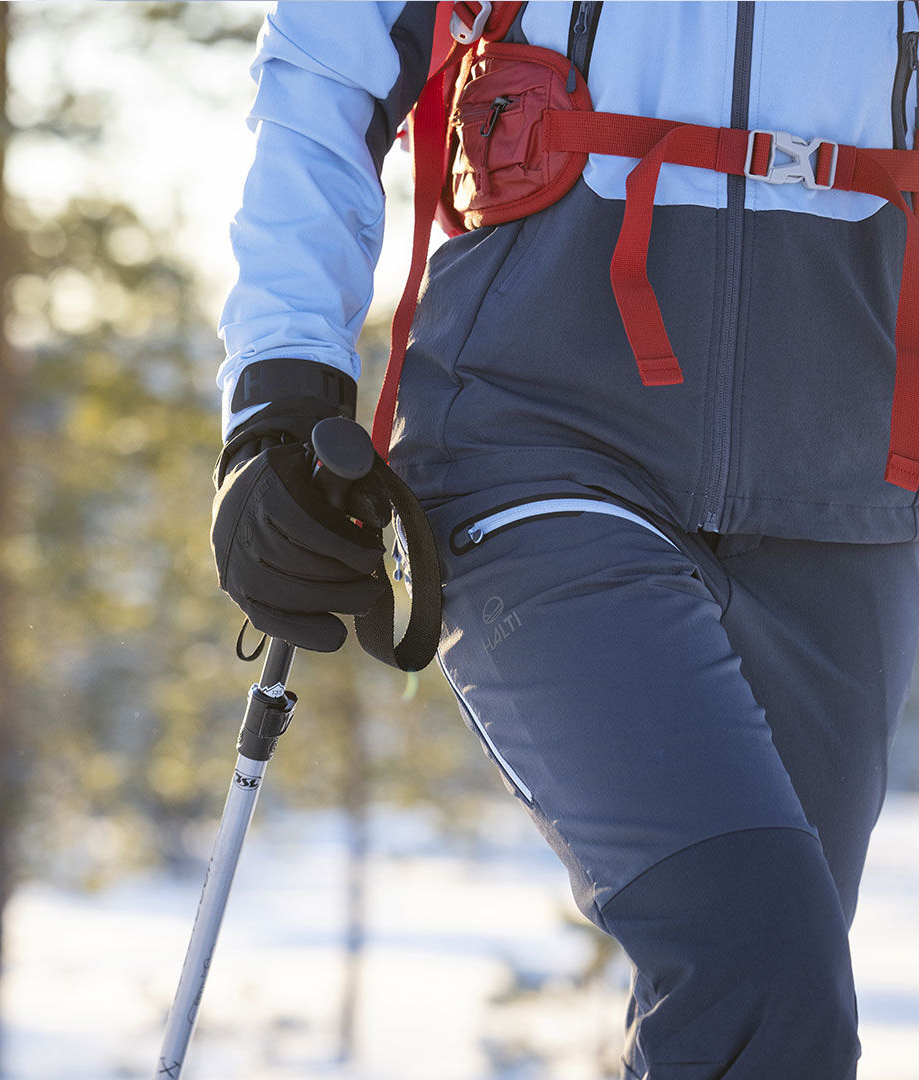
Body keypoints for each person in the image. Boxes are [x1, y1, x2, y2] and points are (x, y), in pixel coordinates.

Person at [211, 3, 919, 1076]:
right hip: (539, 443)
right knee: (757, 973)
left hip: (847, 492)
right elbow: (326, 70)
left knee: (778, 1025)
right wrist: (280, 397)